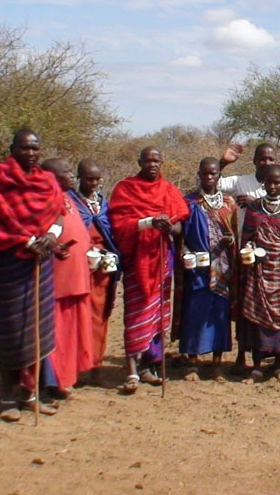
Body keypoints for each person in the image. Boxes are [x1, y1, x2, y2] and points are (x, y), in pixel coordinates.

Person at [0, 129, 64, 421]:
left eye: (35, 148)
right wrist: (26, 241)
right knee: (10, 331)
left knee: (39, 329)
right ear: (13, 149)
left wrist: (51, 235)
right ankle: (9, 395)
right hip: (8, 264)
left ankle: (32, 394)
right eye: (24, 148)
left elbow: (59, 212)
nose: (31, 153)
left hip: (41, 264)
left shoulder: (46, 181)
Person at [108, 147, 190, 393]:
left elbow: (179, 228)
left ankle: (149, 366)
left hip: (161, 260)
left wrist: (167, 227)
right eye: (147, 160)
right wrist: (147, 222)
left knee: (157, 316)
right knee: (135, 312)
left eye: (156, 160)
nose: (152, 164)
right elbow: (119, 225)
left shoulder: (169, 190)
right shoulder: (126, 189)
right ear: (139, 162)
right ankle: (131, 370)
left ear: (162, 162)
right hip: (137, 260)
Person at [219, 142, 280, 373]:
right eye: (261, 159)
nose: (266, 163)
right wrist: (224, 161)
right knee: (249, 306)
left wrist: (255, 204)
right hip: (248, 255)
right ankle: (245, 357)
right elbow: (210, 182)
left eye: (270, 159)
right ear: (254, 161)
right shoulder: (241, 182)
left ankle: (278, 361)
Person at [237, 164, 280, 383]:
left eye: (277, 183)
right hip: (258, 272)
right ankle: (256, 366)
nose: (272, 186)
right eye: (269, 182)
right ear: (263, 183)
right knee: (257, 317)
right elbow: (246, 239)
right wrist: (250, 253)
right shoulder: (254, 208)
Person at [178, 157, 236, 382]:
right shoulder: (189, 202)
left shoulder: (228, 203)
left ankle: (217, 364)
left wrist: (231, 240)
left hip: (223, 266)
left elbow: (235, 233)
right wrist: (185, 252)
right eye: (204, 173)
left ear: (219, 177)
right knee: (194, 312)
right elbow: (180, 233)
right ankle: (192, 362)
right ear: (199, 175)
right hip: (197, 266)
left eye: (213, 174)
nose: (209, 177)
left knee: (219, 315)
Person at [41, 158, 94, 398]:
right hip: (57, 278)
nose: (73, 176)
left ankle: (68, 375)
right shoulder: (43, 200)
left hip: (77, 274)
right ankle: (54, 380)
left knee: (72, 328)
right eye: (67, 172)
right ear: (51, 177)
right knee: (57, 329)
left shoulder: (67, 198)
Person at [69, 159, 120, 371]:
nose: (94, 184)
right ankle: (74, 366)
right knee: (75, 316)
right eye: (89, 179)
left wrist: (108, 252)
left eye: (97, 179)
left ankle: (95, 364)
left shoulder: (103, 202)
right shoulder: (70, 202)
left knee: (100, 315)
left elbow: (111, 230)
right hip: (76, 267)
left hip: (102, 269)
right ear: (79, 178)